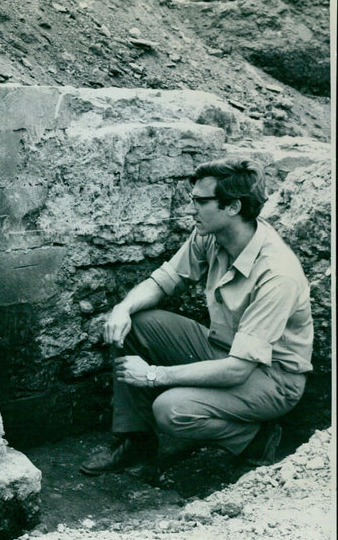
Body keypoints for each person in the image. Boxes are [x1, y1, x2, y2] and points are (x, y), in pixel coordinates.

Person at [80, 158, 313, 478]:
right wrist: (123, 308)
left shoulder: (276, 274)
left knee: (171, 409)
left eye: (201, 202)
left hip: (271, 379)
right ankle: (136, 440)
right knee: (138, 323)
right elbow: (163, 281)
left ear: (232, 207)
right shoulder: (211, 234)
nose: (191, 209)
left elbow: (237, 370)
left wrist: (153, 375)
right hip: (224, 349)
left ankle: (255, 439)